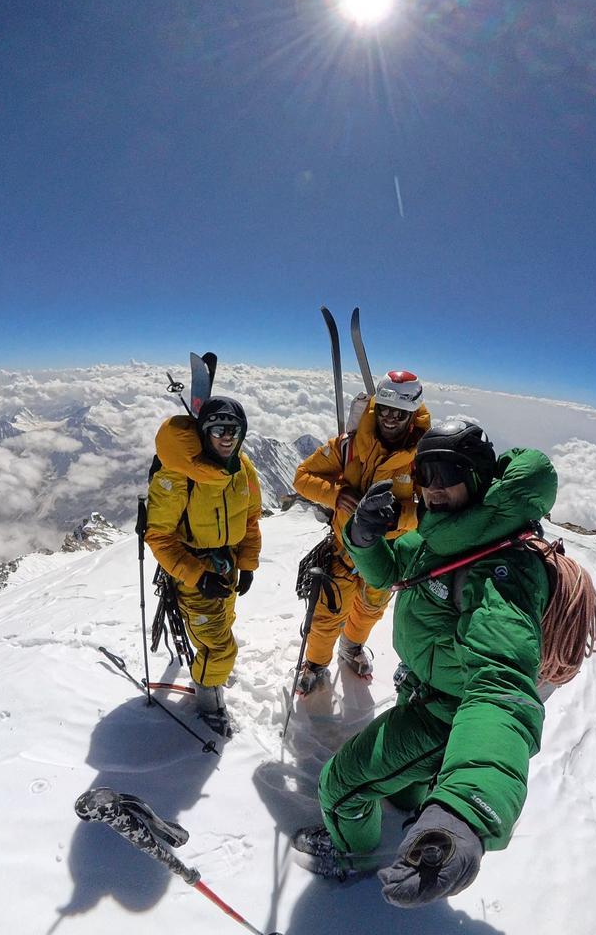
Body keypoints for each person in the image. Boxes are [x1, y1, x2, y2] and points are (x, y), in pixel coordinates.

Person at [292, 417, 558, 906]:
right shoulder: (450, 536)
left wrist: (467, 810)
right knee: (406, 778)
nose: (431, 490)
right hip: (425, 690)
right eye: (423, 474)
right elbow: (394, 569)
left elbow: (501, 691)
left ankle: (350, 856)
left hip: (446, 716)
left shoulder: (497, 570)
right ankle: (411, 797)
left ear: (477, 477)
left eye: (446, 474)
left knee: (342, 784)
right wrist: (365, 539)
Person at [291, 370, 430, 692]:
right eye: (385, 409)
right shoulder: (348, 446)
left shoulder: (424, 458)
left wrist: (400, 518)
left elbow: (432, 508)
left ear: (413, 414)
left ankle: (350, 647)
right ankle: (316, 662)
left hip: (386, 557)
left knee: (369, 611)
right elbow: (303, 477)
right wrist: (336, 495)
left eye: (400, 413)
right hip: (343, 551)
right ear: (376, 408)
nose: (390, 419)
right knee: (326, 616)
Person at [144, 396, 262, 737]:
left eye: (233, 430)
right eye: (217, 430)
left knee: (223, 624)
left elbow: (251, 519)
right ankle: (208, 699)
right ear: (203, 433)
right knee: (219, 647)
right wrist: (196, 575)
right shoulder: (178, 476)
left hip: (227, 569)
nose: (226, 437)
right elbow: (160, 537)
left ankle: (211, 671)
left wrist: (248, 563)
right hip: (193, 573)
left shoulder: (244, 468)